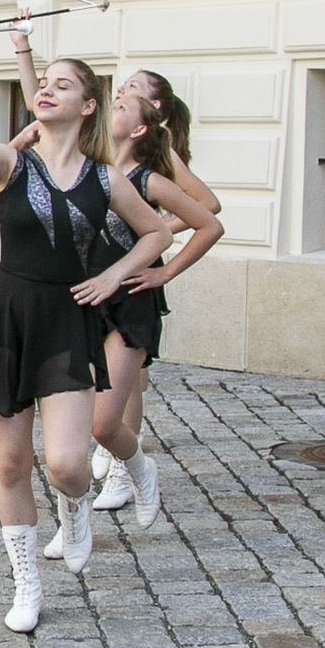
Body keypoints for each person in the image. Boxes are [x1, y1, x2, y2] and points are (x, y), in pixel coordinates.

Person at [0, 17, 170, 634]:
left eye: (63, 84)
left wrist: (114, 276)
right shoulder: (12, 166)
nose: (48, 89)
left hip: (67, 321)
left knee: (66, 463)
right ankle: (26, 583)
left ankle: (78, 505)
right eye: (44, 83)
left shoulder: (105, 178)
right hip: (6, 316)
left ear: (89, 105)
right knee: (9, 464)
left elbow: (157, 233)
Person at [85, 68, 222, 501]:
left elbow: (210, 220)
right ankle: (111, 455)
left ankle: (124, 466)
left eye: (123, 104)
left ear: (141, 127)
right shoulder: (87, 168)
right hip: (87, 293)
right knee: (94, 394)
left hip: (130, 296)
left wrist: (165, 268)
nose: (114, 103)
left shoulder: (149, 179)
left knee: (121, 392)